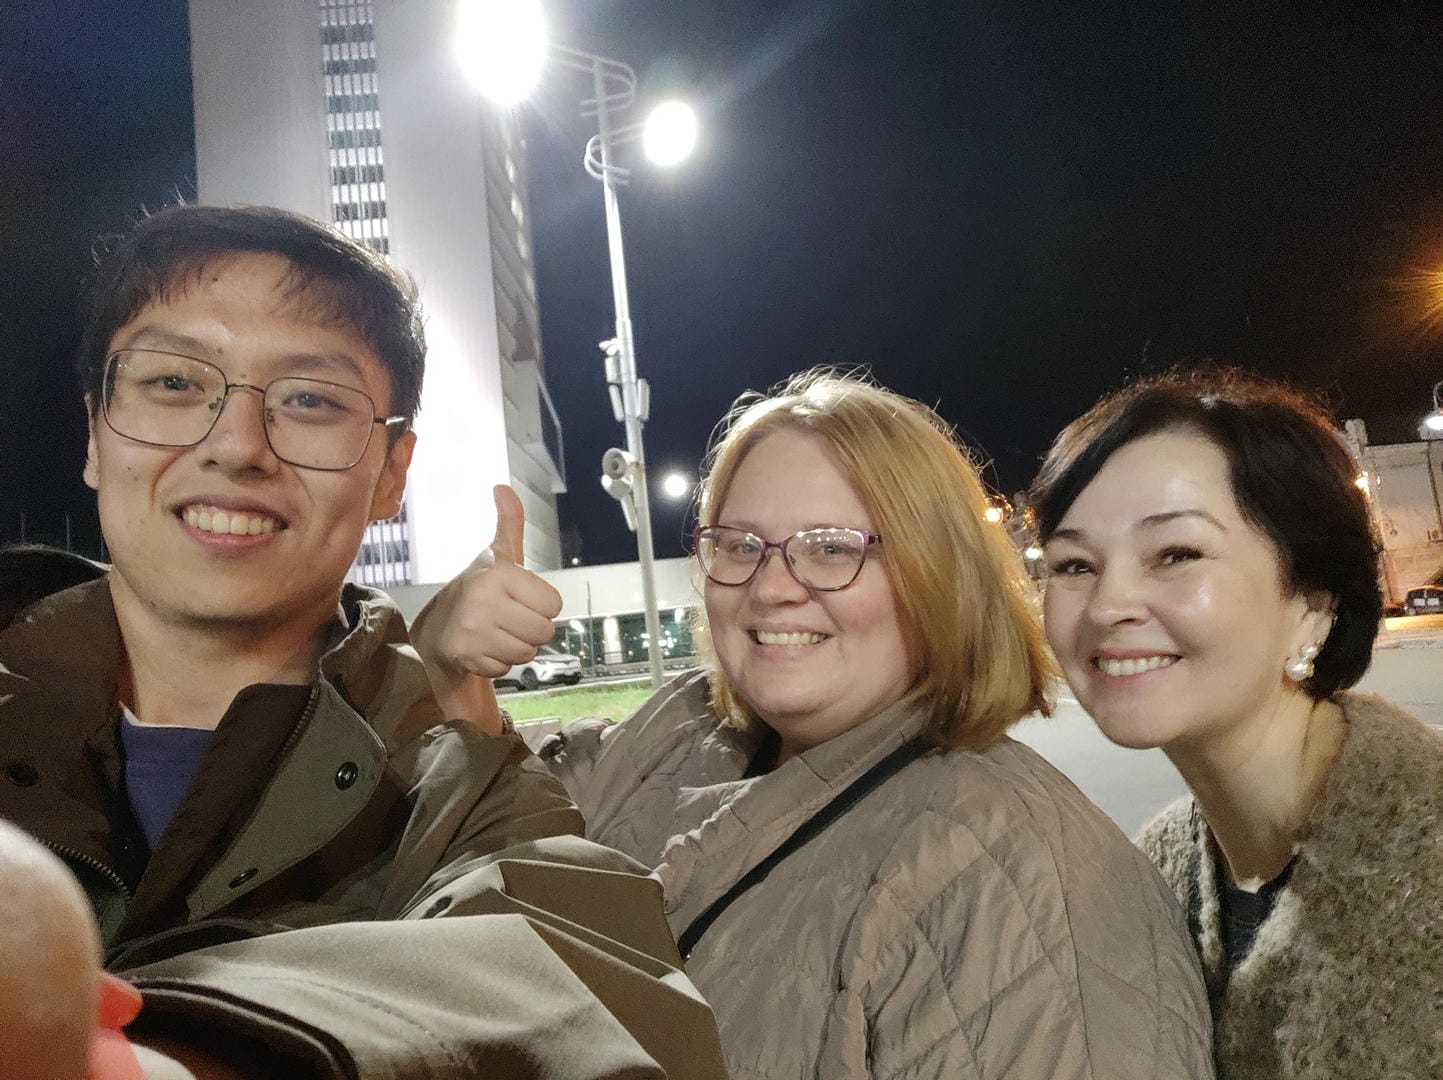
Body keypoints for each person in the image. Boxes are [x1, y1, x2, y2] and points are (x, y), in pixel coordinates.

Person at [0, 203, 725, 1079]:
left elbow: (597, 997)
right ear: (94, 431)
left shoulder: (459, 794)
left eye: (309, 400)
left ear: (391, 475)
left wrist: (163, 1061)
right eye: (175, 383)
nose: (236, 445)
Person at [424, 369, 1215, 1078]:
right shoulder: (681, 732)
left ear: (935, 573)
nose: (772, 587)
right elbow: (490, 856)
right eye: (740, 545)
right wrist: (448, 670)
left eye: (831, 549)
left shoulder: (1024, 886)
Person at [1031, 367, 1443, 1078]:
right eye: (1073, 564)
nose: (1107, 605)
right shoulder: (1149, 876)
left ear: (1311, 602)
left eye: (1176, 554)